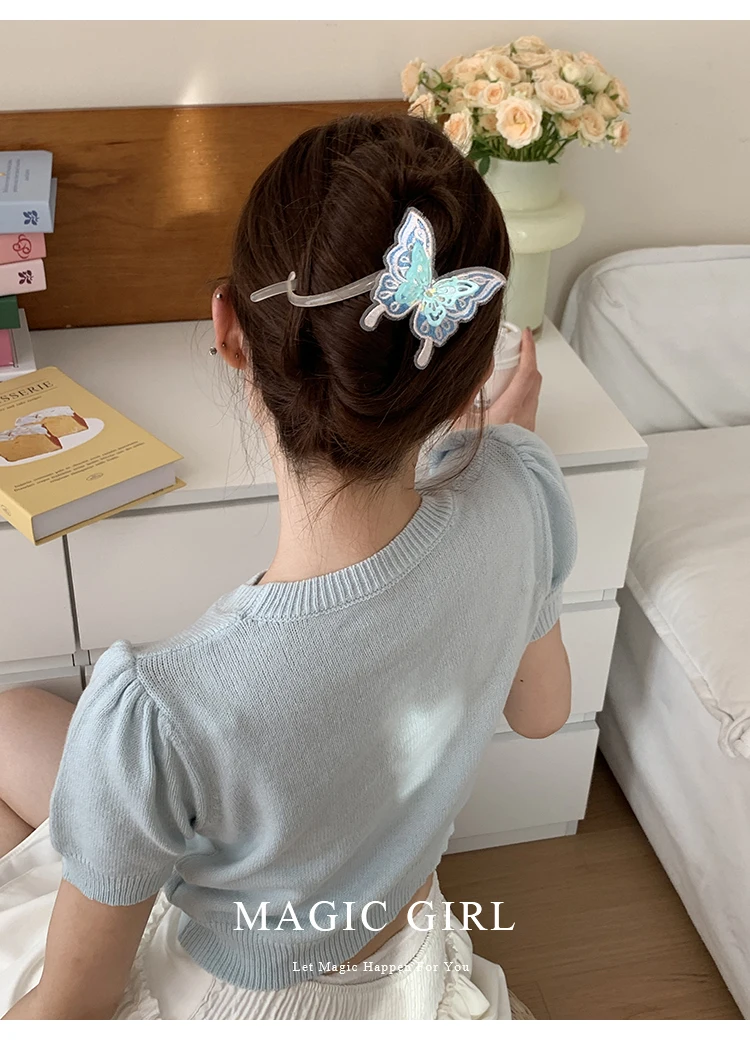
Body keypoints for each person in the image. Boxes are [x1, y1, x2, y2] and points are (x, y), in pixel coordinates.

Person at [0, 113, 575, 1020]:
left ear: (228, 329)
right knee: (21, 722)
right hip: (406, 953)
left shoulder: (164, 712)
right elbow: (541, 713)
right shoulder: (525, 490)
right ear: (471, 372)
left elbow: (73, 1008)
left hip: (243, 1001)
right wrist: (504, 462)